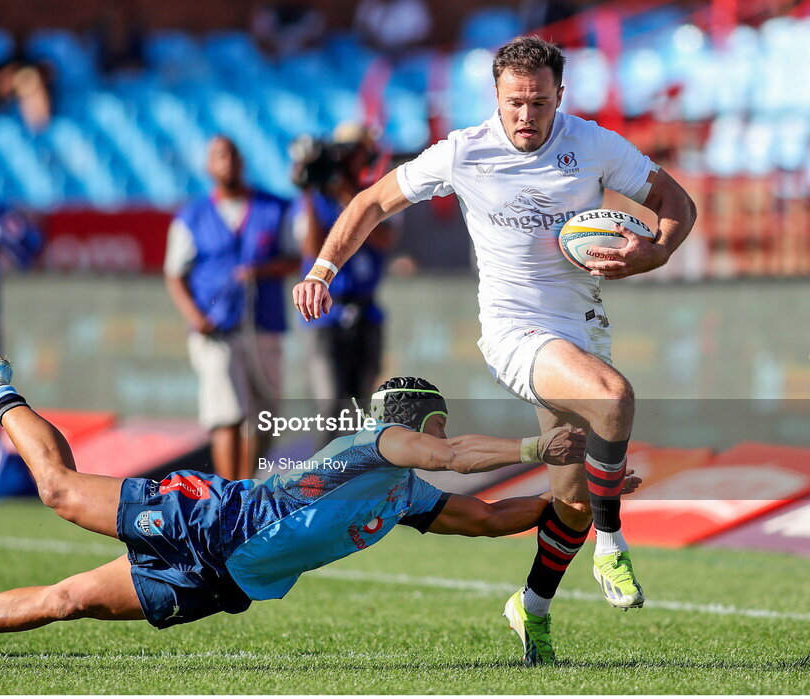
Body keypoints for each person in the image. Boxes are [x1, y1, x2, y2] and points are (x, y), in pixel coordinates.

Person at [293, 36, 697, 665]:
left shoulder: (589, 143)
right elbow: (372, 200)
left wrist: (659, 248)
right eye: (514, 102)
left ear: (559, 96)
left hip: (582, 328)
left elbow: (676, 201)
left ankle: (530, 608)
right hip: (514, 331)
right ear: (496, 97)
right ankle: (614, 545)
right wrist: (322, 269)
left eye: (538, 102)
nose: (525, 116)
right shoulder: (464, 152)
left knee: (572, 498)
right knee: (614, 398)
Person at [0, 357, 642, 663]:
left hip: (222, 581)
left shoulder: (403, 495)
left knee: (69, 602)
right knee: (58, 489)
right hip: (207, 518)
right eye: (433, 425)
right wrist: (538, 448)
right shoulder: (384, 442)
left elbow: (494, 519)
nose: (433, 437)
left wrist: (591, 493)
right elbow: (451, 455)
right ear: (414, 419)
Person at [164, 136, 298, 480]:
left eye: (233, 155)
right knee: (227, 413)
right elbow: (174, 274)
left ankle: (247, 483)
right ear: (208, 166)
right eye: (219, 156)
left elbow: (296, 258)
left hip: (263, 325)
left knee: (265, 417)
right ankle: (230, 495)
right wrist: (196, 317)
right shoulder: (192, 216)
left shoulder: (274, 207)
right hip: (216, 328)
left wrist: (261, 271)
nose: (227, 162)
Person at [291, 124, 393, 445]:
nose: (353, 156)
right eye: (348, 149)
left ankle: (355, 479)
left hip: (365, 311)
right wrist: (309, 188)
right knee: (330, 404)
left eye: (358, 149)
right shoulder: (317, 198)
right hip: (325, 314)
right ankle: (323, 480)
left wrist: (352, 197)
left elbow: (384, 238)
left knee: (361, 405)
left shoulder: (377, 191)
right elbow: (309, 248)